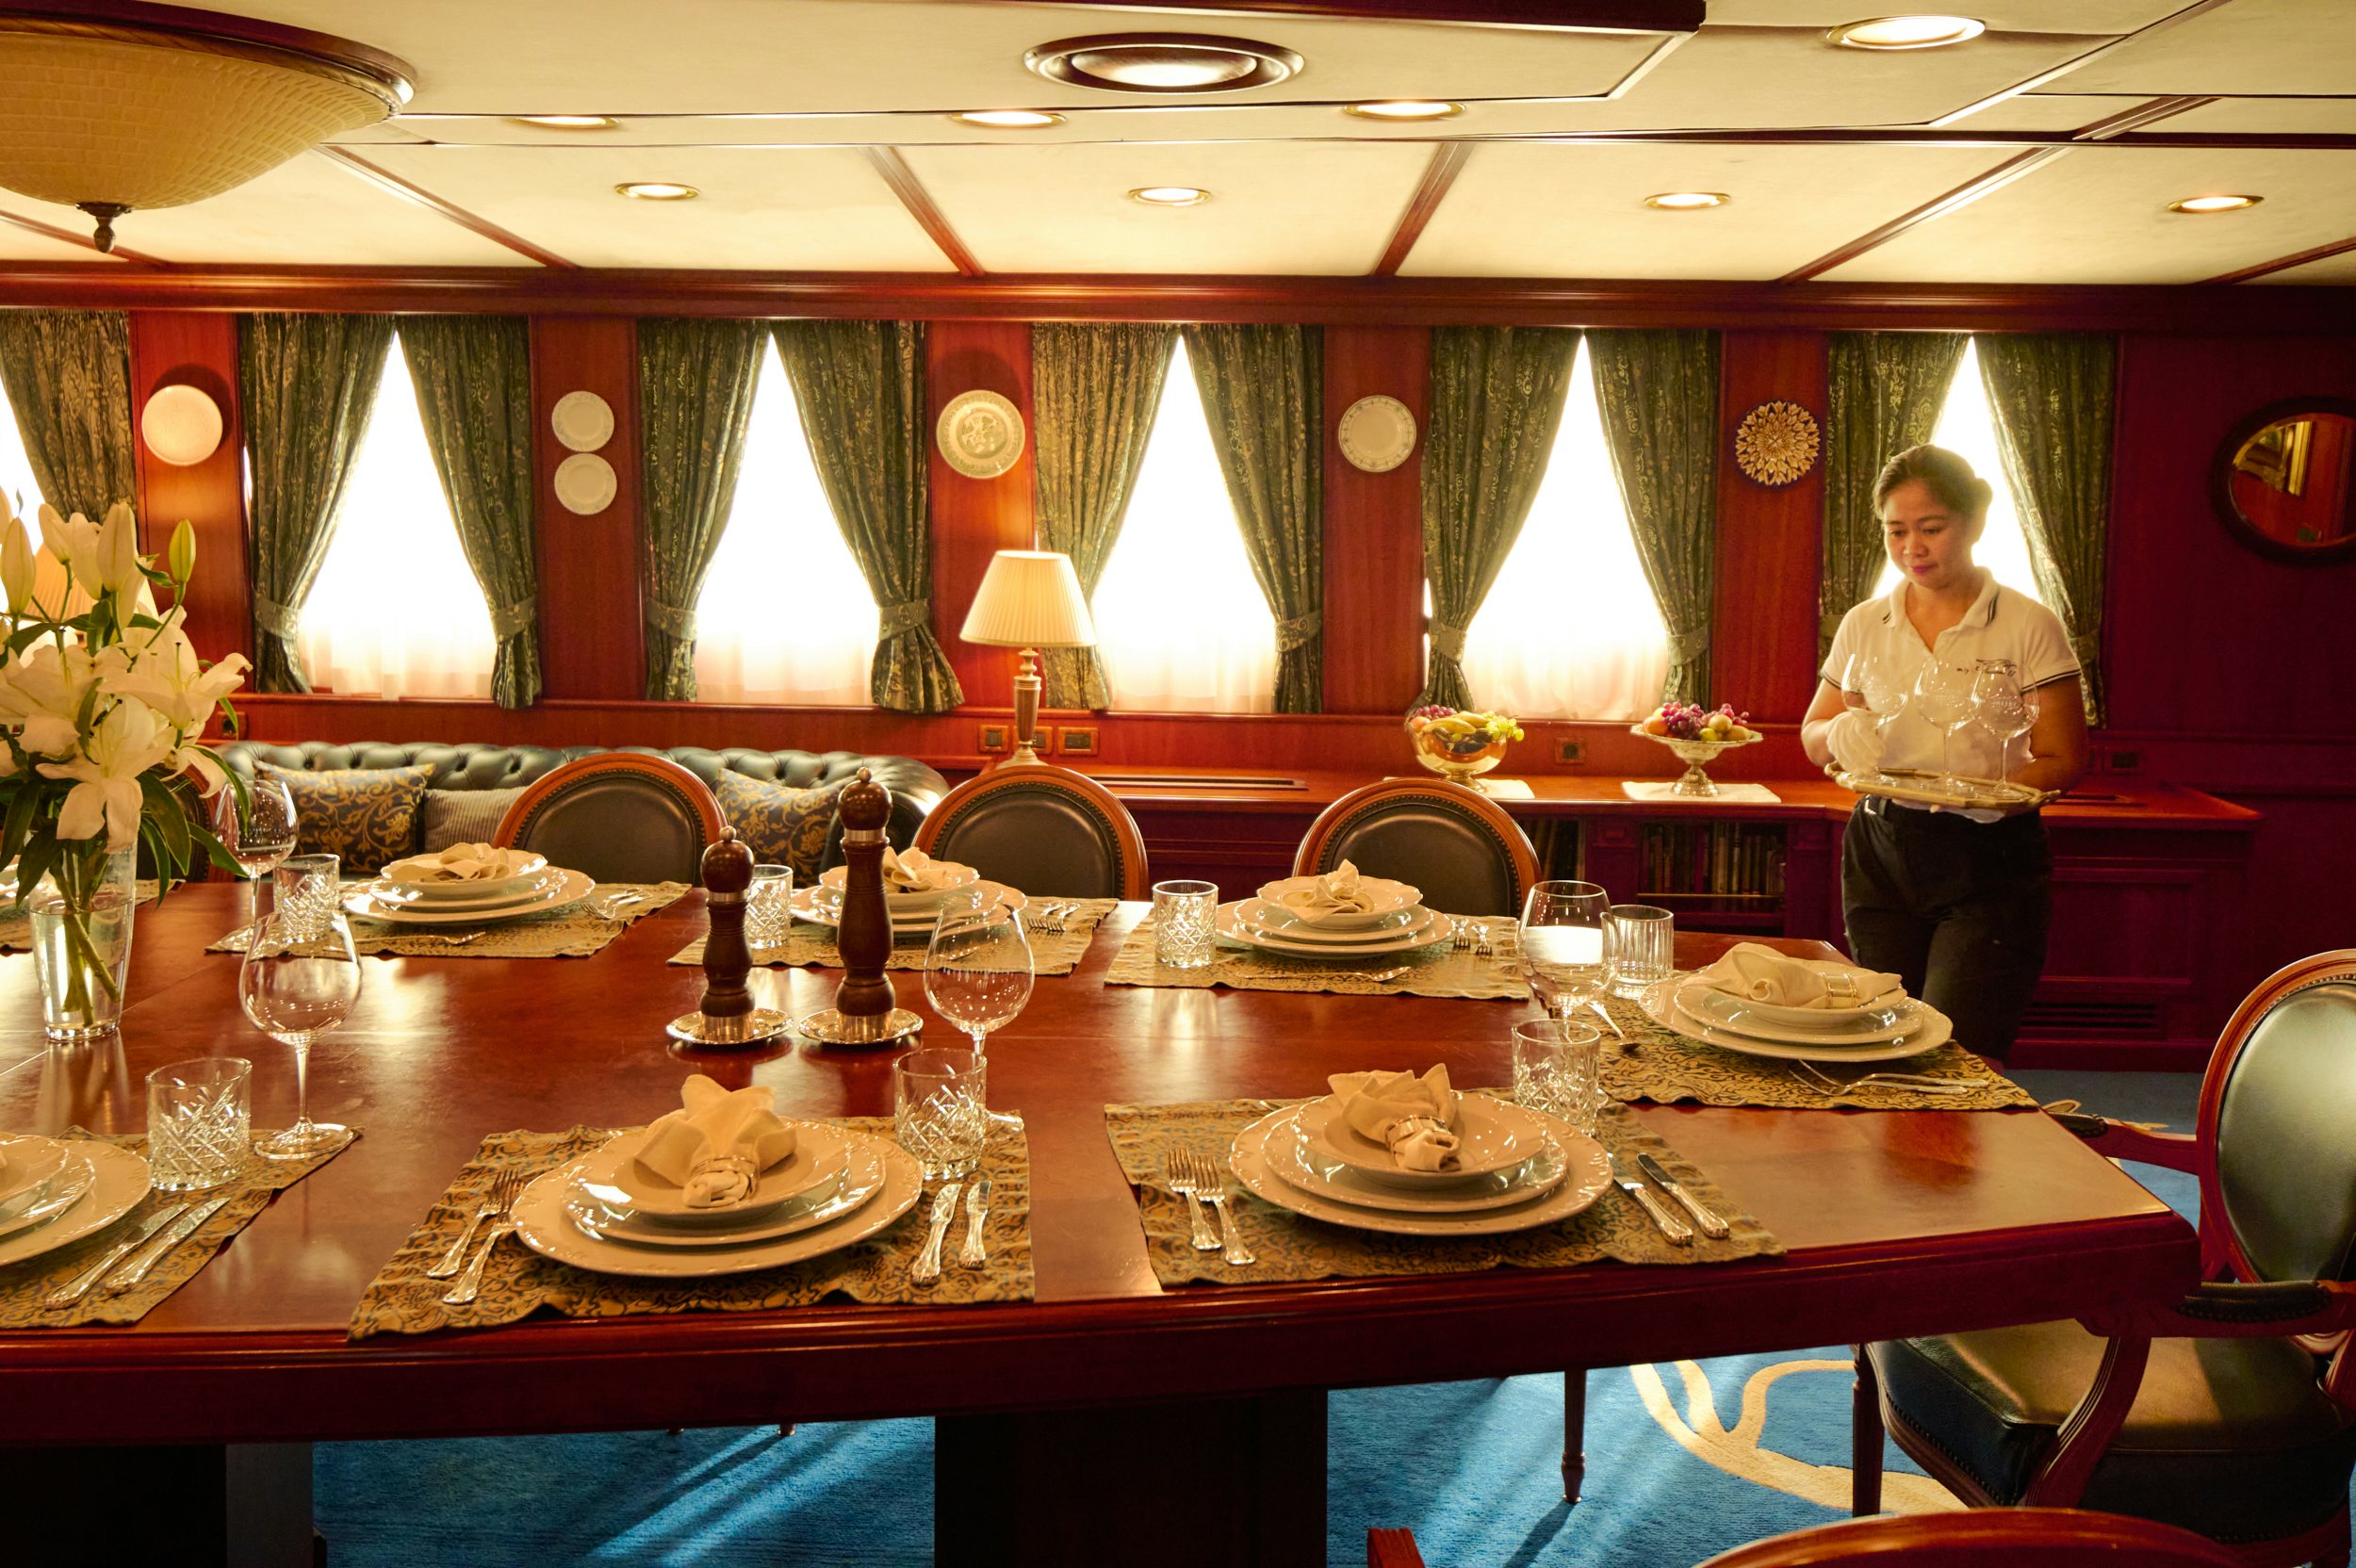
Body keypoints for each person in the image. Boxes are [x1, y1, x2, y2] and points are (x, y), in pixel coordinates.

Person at [1800, 445, 2087, 1057]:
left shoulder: (2026, 623)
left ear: (1975, 521)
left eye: (1931, 528)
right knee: (1884, 1038)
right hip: (1880, 848)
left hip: (1987, 855)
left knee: (1958, 1050)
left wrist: (1997, 800)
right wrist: (1837, 736)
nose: (1912, 548)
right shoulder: (1864, 623)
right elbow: (1813, 732)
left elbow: (2066, 756)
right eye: (1896, 531)